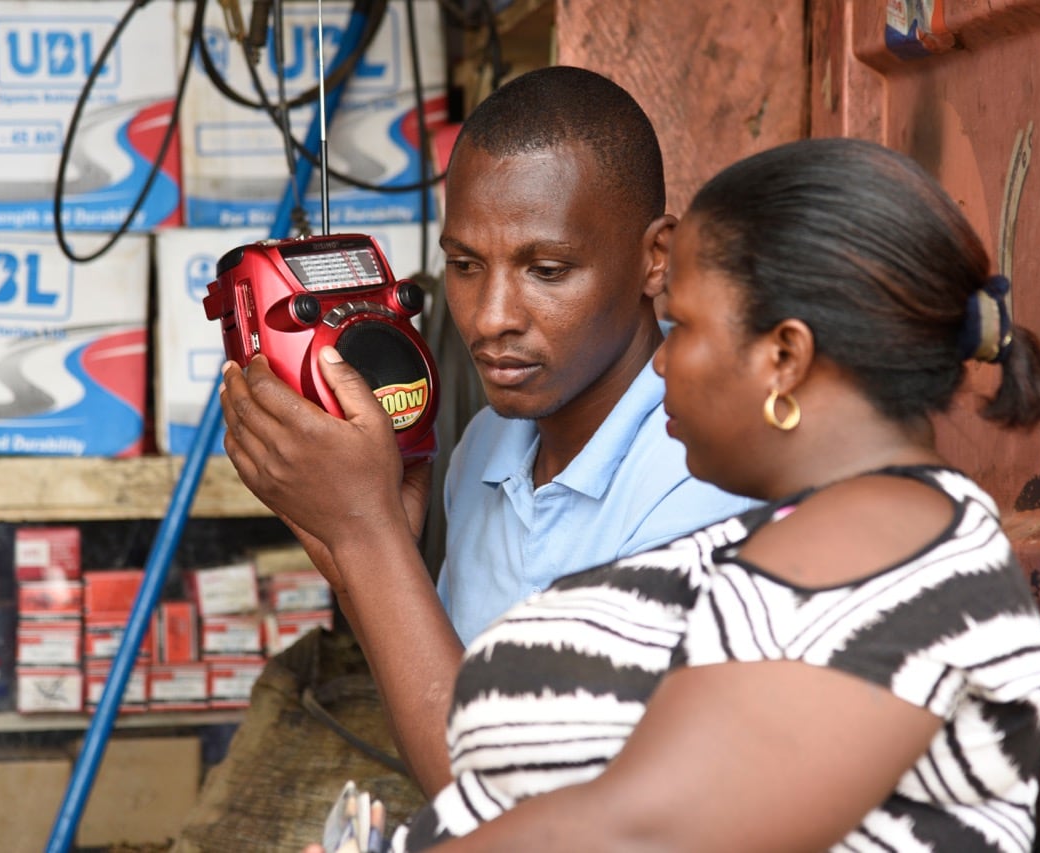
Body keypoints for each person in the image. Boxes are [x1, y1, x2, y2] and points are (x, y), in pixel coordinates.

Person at [307, 136, 1040, 852]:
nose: (662, 362)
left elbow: (646, 830)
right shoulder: (818, 534)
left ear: (784, 358)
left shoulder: (894, 553)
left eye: (685, 326)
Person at [218, 65, 757, 797]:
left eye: (547, 268)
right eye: (465, 264)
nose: (489, 315)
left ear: (653, 257)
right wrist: (353, 554)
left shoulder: (707, 471)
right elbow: (443, 704)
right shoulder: (485, 445)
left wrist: (366, 535)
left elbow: (496, 795)